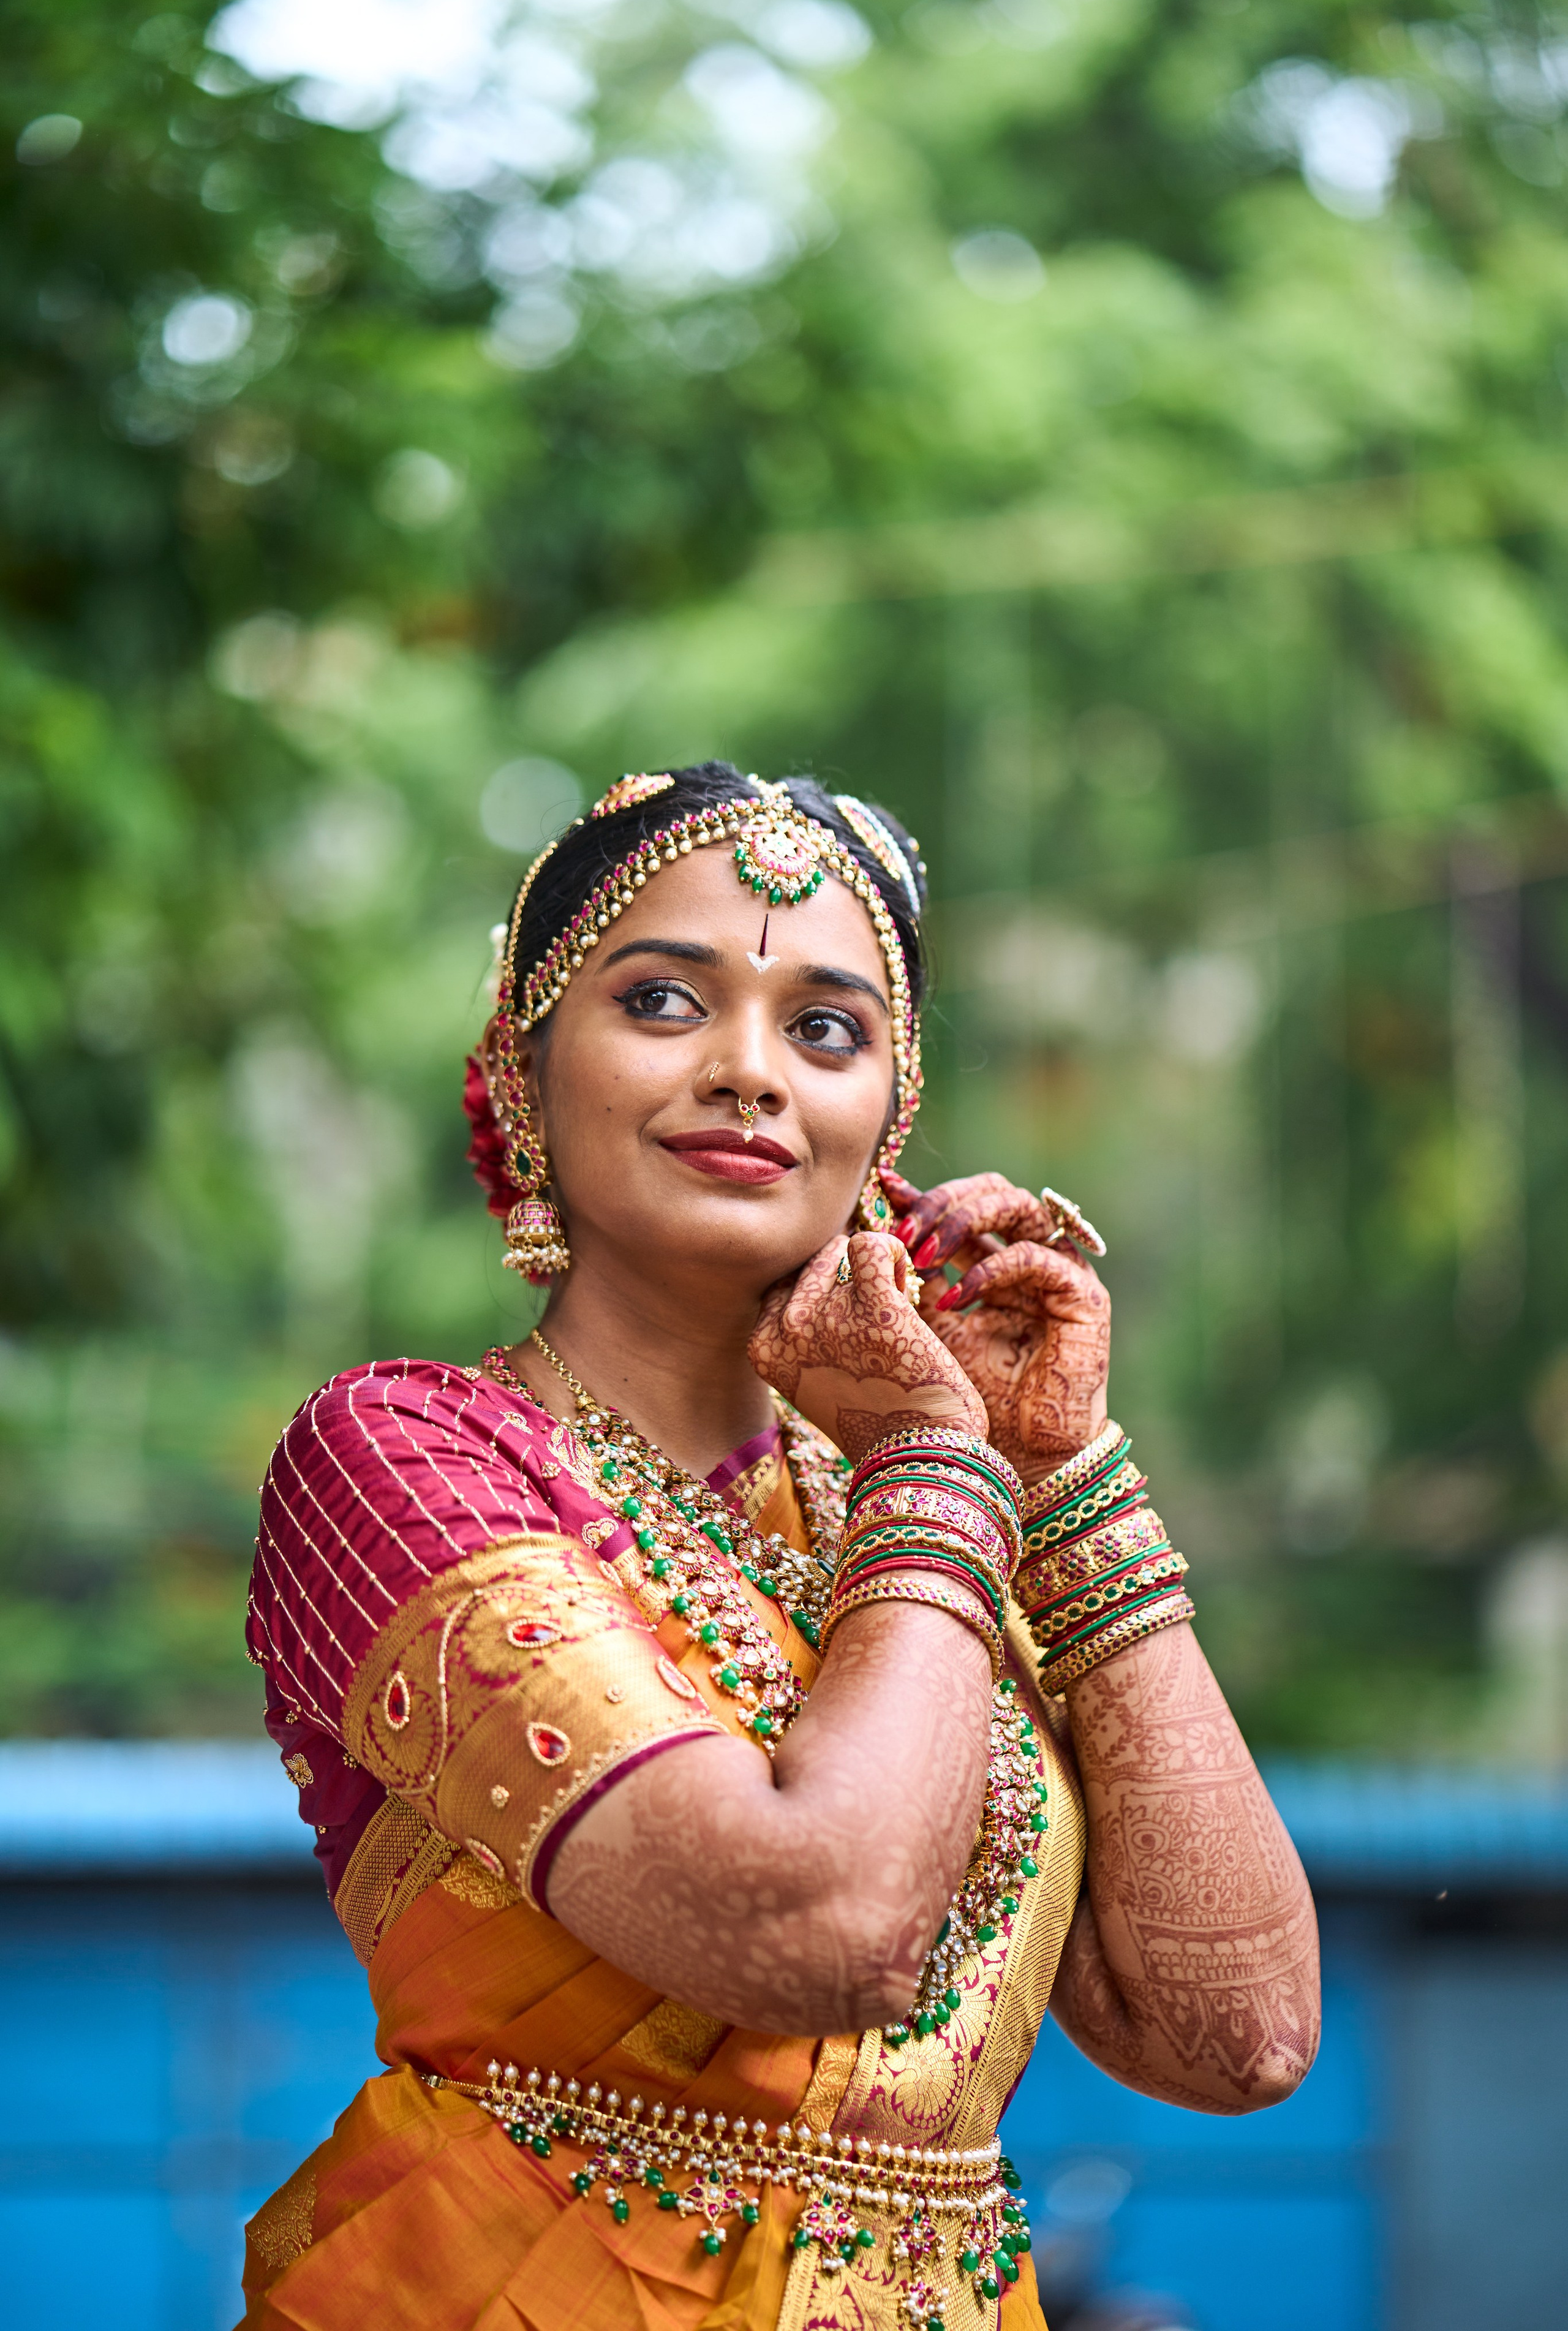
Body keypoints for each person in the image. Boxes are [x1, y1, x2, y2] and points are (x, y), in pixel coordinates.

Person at [240, 762, 1320, 2331]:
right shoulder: (405, 1453)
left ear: (888, 1115)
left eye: (825, 1028)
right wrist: (941, 1464)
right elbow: (818, 1932)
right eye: (664, 1001)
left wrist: (1062, 1472)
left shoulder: (909, 1506)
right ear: (524, 1071)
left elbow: (1242, 2038)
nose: (751, 1071)